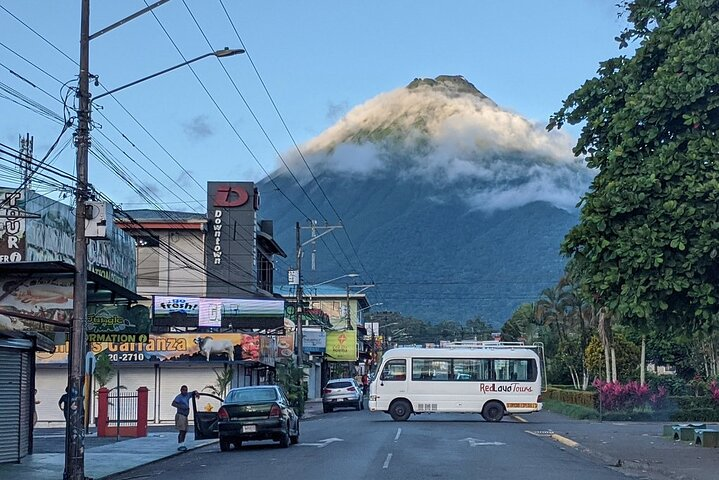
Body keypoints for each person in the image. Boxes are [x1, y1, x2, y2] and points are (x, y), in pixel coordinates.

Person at [172, 385, 198, 451]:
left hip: (185, 416)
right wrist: (181, 406)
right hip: (181, 415)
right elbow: (173, 403)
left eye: (186, 390)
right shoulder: (179, 397)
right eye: (183, 390)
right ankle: (180, 445)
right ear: (181, 390)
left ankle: (182, 444)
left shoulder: (188, 395)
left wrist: (196, 393)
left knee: (185, 431)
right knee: (182, 430)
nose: (185, 391)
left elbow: (193, 392)